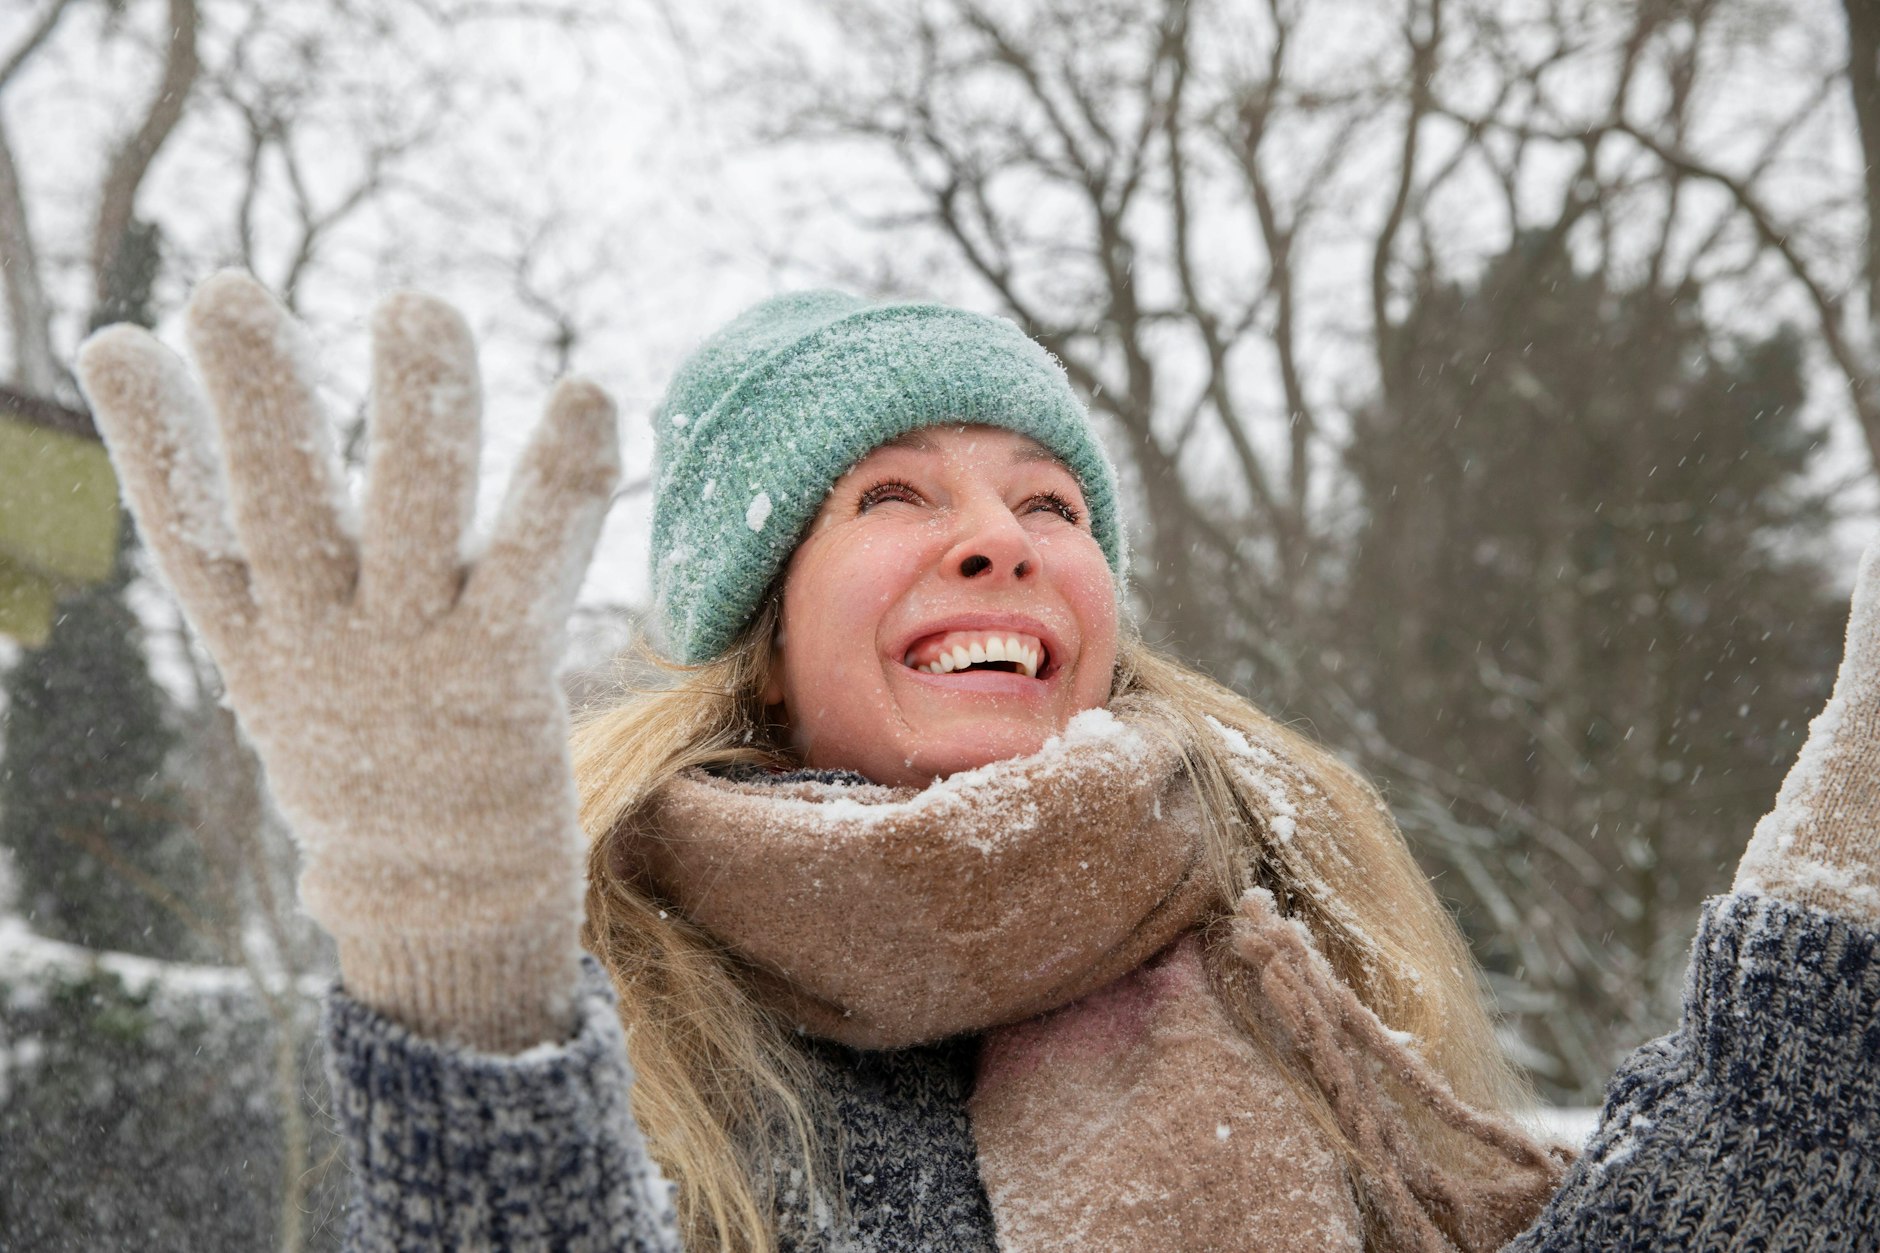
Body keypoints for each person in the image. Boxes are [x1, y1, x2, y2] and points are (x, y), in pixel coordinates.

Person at [75, 272, 1877, 1252]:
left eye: (1049, 503)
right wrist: (454, 961)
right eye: (895, 496)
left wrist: (1844, 916)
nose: (1001, 539)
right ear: (763, 641)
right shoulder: (629, 1037)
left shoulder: (1285, 956)